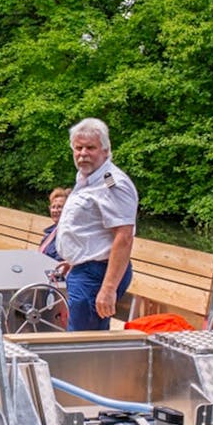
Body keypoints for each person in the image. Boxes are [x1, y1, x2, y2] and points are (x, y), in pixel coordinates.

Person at [53, 118, 137, 331]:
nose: (83, 153)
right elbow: (92, 229)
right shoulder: (86, 177)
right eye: (78, 148)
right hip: (84, 270)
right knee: (82, 338)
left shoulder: (112, 183)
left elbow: (124, 236)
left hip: (97, 274)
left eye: (90, 148)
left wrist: (108, 289)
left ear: (106, 151)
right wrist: (74, 259)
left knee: (83, 342)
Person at [37, 187, 71, 260]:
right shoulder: (50, 232)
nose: (55, 210)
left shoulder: (68, 233)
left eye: (59, 207)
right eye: (53, 207)